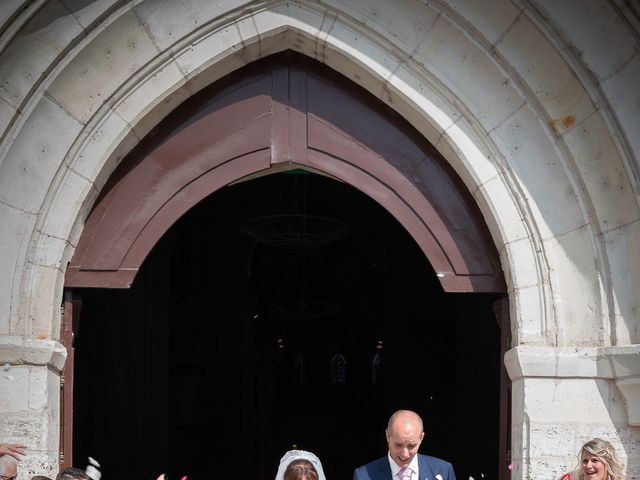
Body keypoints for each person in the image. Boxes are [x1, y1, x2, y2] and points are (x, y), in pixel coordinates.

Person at [353, 410, 456, 480]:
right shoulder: (364, 476)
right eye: (398, 445)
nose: (405, 454)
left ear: (421, 438)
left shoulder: (443, 470)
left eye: (412, 446)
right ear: (387, 436)